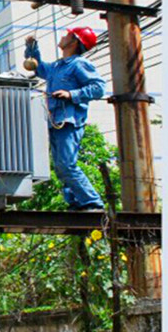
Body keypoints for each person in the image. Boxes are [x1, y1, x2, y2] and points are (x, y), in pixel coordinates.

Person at [24, 27, 106, 211]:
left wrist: (71, 94)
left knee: (66, 163)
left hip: (69, 120)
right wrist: (31, 48)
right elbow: (39, 68)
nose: (62, 36)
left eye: (67, 35)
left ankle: (92, 202)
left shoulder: (79, 64)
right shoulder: (58, 66)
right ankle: (76, 202)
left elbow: (99, 87)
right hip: (56, 120)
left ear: (74, 41)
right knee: (61, 165)